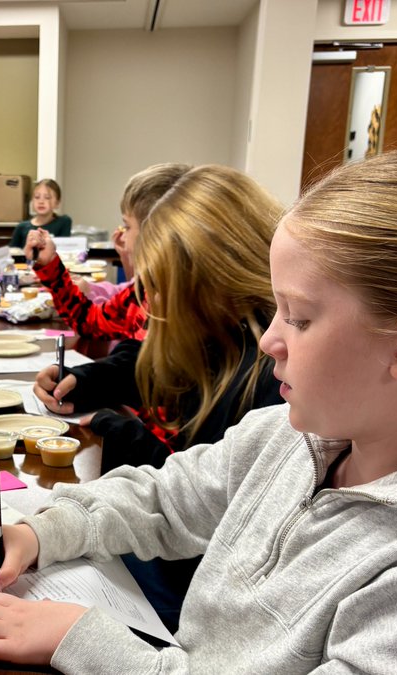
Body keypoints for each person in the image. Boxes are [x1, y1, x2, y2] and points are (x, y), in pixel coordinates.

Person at [0, 148, 397, 672]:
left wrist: (91, 643)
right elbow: (167, 499)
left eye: (300, 317)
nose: (268, 340)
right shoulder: (297, 437)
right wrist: (41, 533)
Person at [31, 165, 284, 631]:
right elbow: (184, 488)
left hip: (194, 593)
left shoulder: (269, 380)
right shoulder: (219, 344)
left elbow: (198, 510)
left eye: (161, 289)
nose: (152, 307)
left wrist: (113, 426)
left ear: (211, 284)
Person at [24, 164, 191, 341]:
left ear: (155, 233)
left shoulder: (184, 309)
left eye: (127, 226)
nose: (123, 236)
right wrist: (50, 264)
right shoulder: (145, 291)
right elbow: (91, 321)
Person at [9, 179, 72, 249]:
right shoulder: (21, 227)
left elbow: (63, 251)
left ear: (57, 203)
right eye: (37, 197)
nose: (41, 201)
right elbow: (12, 253)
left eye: (47, 198)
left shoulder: (63, 222)